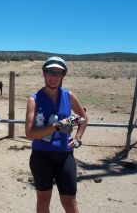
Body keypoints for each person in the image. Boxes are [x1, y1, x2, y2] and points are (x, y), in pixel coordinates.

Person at [25, 56, 88, 213]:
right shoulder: (34, 99)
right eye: (50, 72)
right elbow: (29, 133)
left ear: (63, 76)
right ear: (44, 74)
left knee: (69, 201)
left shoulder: (68, 96)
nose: (54, 77)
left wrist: (78, 138)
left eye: (58, 73)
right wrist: (57, 126)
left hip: (65, 155)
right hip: (41, 156)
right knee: (43, 198)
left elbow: (84, 118)